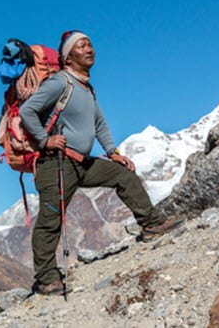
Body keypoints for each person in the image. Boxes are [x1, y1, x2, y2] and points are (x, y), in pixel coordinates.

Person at [18, 30, 184, 295]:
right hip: (56, 164)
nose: (89, 49)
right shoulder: (61, 83)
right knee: (51, 220)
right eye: (81, 46)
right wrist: (44, 140)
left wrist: (113, 151)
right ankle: (47, 279)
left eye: (90, 44)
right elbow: (28, 111)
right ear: (68, 57)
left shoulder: (87, 89)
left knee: (123, 173)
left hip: (82, 163)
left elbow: (99, 123)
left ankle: (152, 224)